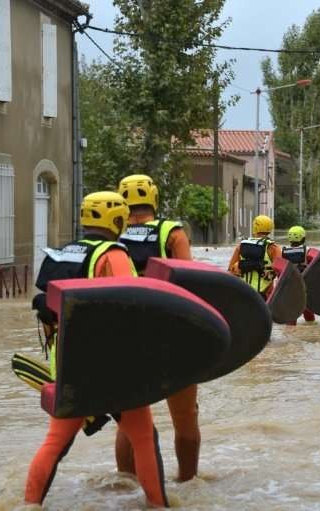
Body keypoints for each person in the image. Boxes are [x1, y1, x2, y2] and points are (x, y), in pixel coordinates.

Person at [24, 191, 168, 508]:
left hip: (70, 366)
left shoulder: (61, 255)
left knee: (55, 443)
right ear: (116, 220)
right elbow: (133, 307)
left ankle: (29, 503)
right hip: (113, 367)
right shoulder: (114, 254)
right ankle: (159, 505)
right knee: (145, 439)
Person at [116, 174, 200, 483]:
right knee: (185, 419)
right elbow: (190, 283)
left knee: (130, 421)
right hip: (171, 336)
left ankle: (125, 489)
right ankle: (188, 485)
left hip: (128, 340)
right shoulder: (172, 233)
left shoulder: (113, 238)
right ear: (153, 199)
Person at [228, 215, 282, 298]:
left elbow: (231, 270)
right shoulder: (273, 247)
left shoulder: (242, 245)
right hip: (265, 294)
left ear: (254, 227)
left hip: (245, 291)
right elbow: (281, 272)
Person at [282, 225, 316, 324]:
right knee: (307, 308)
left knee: (292, 309)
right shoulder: (307, 250)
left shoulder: (283, 251)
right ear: (303, 238)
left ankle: (291, 333)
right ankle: (312, 328)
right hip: (303, 284)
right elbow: (313, 266)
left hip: (290, 284)